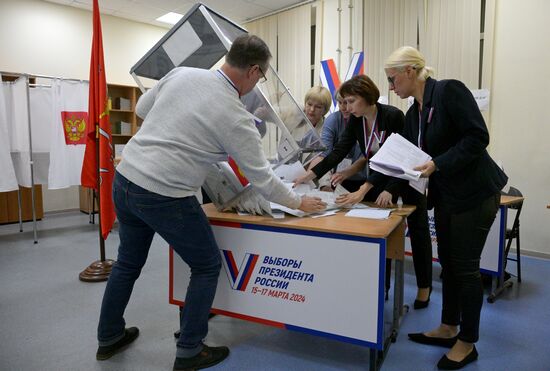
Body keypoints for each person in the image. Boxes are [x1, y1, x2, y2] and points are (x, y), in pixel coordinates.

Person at [95, 34, 326, 371]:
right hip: (165, 193)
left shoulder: (183, 73)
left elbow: (144, 109)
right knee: (205, 265)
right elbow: (262, 178)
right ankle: (190, 350)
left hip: (126, 179)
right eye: (261, 77)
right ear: (254, 71)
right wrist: (297, 202)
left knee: (128, 263)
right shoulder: (235, 114)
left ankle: (109, 337)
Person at [384, 46, 507, 370]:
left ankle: (467, 343)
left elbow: (478, 137)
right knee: (449, 266)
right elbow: (413, 157)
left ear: (410, 71)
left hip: (475, 194)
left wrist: (437, 163)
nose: (391, 87)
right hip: (448, 196)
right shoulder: (414, 114)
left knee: (465, 269)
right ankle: (448, 326)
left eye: (392, 79)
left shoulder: (448, 90)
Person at [308, 89, 367, 192]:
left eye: (347, 103)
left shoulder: (364, 121)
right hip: (335, 179)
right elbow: (324, 154)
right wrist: (310, 178)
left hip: (360, 178)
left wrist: (346, 173)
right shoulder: (332, 120)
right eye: (340, 103)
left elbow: (365, 157)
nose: (344, 107)